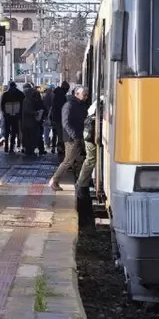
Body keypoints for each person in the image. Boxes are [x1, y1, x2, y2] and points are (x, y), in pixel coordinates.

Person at [48, 85, 89, 190]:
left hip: (78, 136)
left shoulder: (80, 105)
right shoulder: (69, 105)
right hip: (71, 138)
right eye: (84, 95)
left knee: (79, 159)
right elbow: (66, 123)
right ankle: (55, 180)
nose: (86, 97)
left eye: (86, 95)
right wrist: (74, 135)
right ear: (77, 94)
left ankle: (81, 182)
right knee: (68, 161)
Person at [75, 96, 102, 228]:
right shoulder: (101, 102)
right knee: (91, 159)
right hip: (90, 133)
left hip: (89, 132)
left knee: (91, 158)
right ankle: (82, 182)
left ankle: (82, 181)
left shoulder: (98, 101)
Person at [0, 81, 25, 153]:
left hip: (9, 116)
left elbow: (1, 106)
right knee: (13, 132)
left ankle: (8, 147)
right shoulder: (20, 94)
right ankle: (10, 147)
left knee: (9, 132)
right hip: (14, 116)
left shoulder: (5, 94)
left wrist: (4, 113)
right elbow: (23, 104)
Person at [49, 81, 69, 155]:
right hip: (59, 117)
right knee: (60, 133)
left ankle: (54, 147)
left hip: (55, 116)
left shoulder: (56, 94)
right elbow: (61, 107)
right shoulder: (61, 96)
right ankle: (59, 148)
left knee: (55, 133)